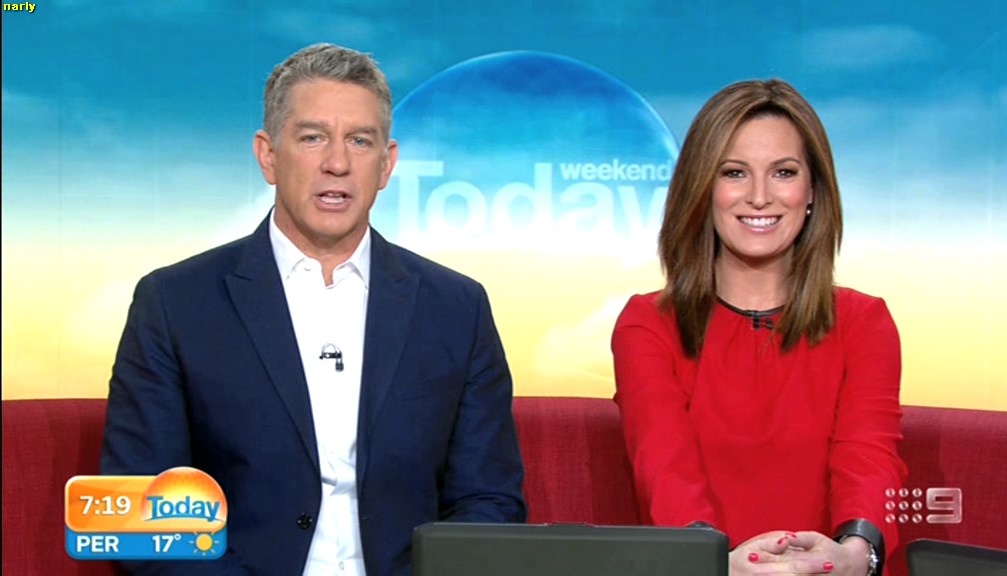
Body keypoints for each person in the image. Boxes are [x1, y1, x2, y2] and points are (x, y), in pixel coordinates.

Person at [101, 43, 526, 576]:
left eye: (360, 141)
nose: (337, 163)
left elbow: (489, 501)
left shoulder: (457, 308)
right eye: (312, 137)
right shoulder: (175, 303)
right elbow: (141, 515)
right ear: (268, 155)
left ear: (387, 164)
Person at [611, 79, 906, 576]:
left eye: (783, 172)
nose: (760, 197)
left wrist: (854, 555)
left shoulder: (864, 323)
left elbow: (868, 458)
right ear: (703, 189)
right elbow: (665, 470)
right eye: (734, 173)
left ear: (812, 192)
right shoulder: (648, 324)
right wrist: (717, 564)